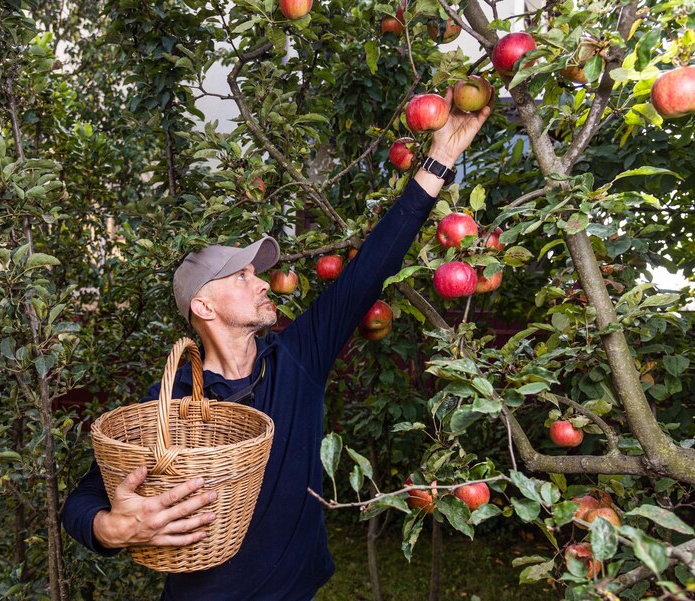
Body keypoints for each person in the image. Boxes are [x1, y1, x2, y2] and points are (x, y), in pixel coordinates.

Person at [63, 89, 491, 600]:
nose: (264, 283)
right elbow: (85, 497)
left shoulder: (298, 358)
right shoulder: (175, 399)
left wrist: (440, 159)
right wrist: (110, 529)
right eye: (243, 277)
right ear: (204, 307)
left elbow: (369, 269)